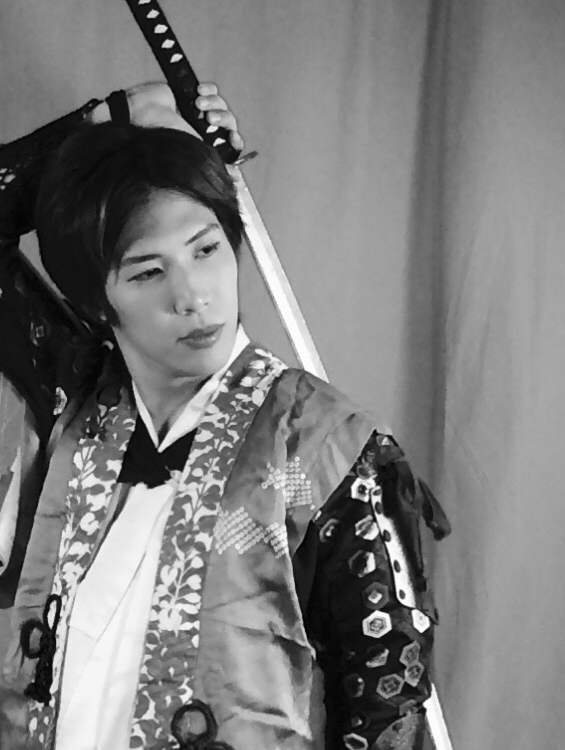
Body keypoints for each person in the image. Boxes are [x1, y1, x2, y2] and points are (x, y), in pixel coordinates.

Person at [0, 82, 450, 750]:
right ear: (98, 300)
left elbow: (387, 716)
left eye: (206, 250)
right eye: (148, 272)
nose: (193, 296)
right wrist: (116, 116)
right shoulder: (78, 401)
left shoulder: (322, 454)